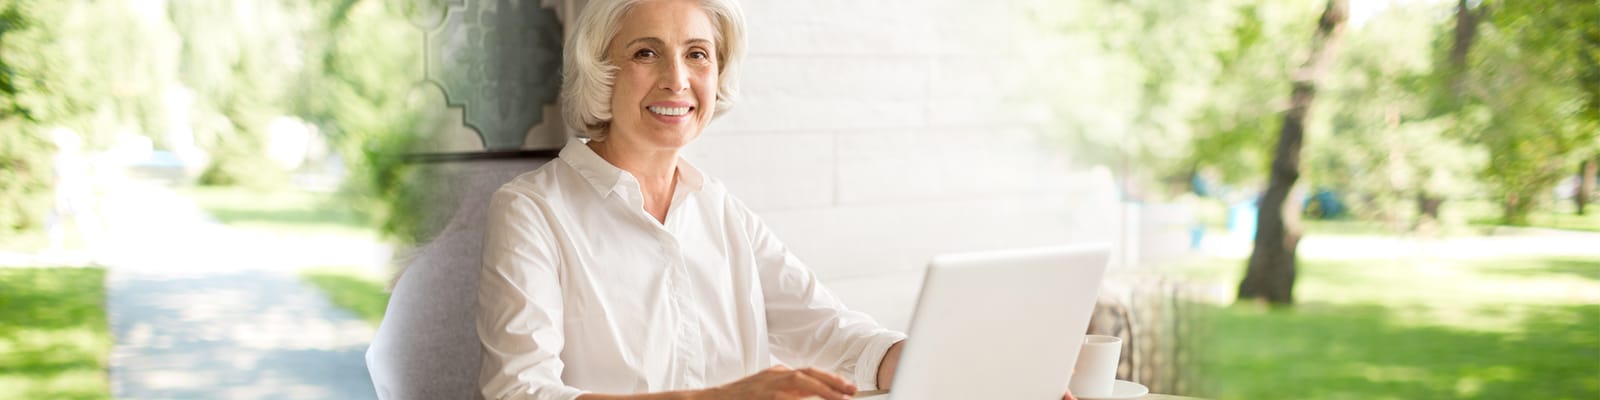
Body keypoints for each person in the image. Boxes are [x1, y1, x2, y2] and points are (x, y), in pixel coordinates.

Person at [476, 1, 1077, 399]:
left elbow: (831, 330)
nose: (677, 81)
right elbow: (519, 392)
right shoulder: (533, 210)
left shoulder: (718, 210)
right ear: (602, 69)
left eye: (697, 54)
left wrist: (975, 370)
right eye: (645, 52)